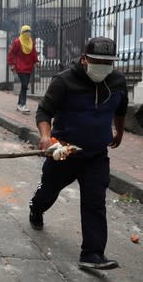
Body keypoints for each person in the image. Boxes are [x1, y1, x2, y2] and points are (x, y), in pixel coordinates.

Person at [29, 37, 128, 270]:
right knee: (48, 191)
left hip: (96, 154)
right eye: (97, 61)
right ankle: (36, 208)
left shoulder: (117, 81)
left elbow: (121, 109)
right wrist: (45, 136)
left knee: (95, 202)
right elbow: (44, 111)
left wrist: (120, 132)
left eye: (108, 62)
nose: (103, 67)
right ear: (84, 59)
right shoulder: (64, 81)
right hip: (64, 152)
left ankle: (92, 255)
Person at [7, 25, 40, 113]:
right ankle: (23, 104)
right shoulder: (17, 42)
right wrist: (12, 64)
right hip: (20, 67)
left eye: (29, 31)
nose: (28, 33)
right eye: (26, 31)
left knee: (24, 86)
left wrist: (37, 61)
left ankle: (19, 105)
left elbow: (34, 53)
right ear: (22, 32)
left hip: (29, 67)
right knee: (25, 85)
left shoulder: (31, 42)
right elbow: (11, 53)